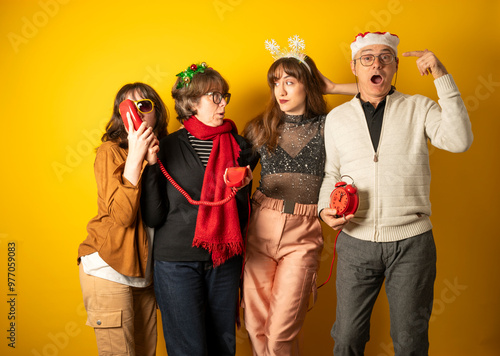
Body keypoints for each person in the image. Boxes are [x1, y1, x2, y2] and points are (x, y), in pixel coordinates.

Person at [318, 31, 473, 355]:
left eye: (386, 57)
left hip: (412, 246)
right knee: (347, 338)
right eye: (368, 58)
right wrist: (323, 210)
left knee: (410, 342)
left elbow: (459, 141)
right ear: (355, 66)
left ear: (395, 67)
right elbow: (331, 173)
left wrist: (442, 77)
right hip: (355, 243)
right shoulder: (337, 118)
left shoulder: (419, 108)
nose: (378, 63)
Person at [242, 37, 357, 356]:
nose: (280, 90)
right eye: (275, 82)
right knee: (256, 327)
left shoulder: (330, 125)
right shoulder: (258, 127)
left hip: (304, 231)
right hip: (259, 227)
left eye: (290, 82)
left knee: (280, 333)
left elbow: (377, 93)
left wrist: (332, 86)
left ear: (308, 84)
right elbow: (235, 177)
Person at [140, 62, 255, 356]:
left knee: (222, 345)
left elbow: (241, 218)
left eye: (224, 96)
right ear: (191, 103)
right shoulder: (165, 146)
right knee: (187, 349)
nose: (223, 103)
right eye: (214, 97)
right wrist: (152, 168)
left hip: (224, 259)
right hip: (176, 261)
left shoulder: (241, 147)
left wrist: (242, 191)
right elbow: (153, 215)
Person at [78, 82, 169, 356]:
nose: (139, 113)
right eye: (130, 107)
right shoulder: (110, 152)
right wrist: (135, 157)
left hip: (144, 274)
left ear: (157, 112)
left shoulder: (165, 153)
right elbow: (122, 216)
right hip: (109, 267)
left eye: (145, 105)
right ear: (121, 115)